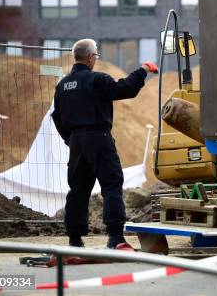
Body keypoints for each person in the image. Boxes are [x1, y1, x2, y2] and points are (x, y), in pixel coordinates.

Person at [51, 39, 158, 249]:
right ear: (91, 57)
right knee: (111, 184)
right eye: (96, 55)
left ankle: (75, 241)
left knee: (78, 190)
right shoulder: (97, 80)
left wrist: (70, 140)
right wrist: (143, 70)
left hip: (76, 143)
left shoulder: (62, 86)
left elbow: (57, 117)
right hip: (98, 138)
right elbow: (125, 88)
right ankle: (116, 238)